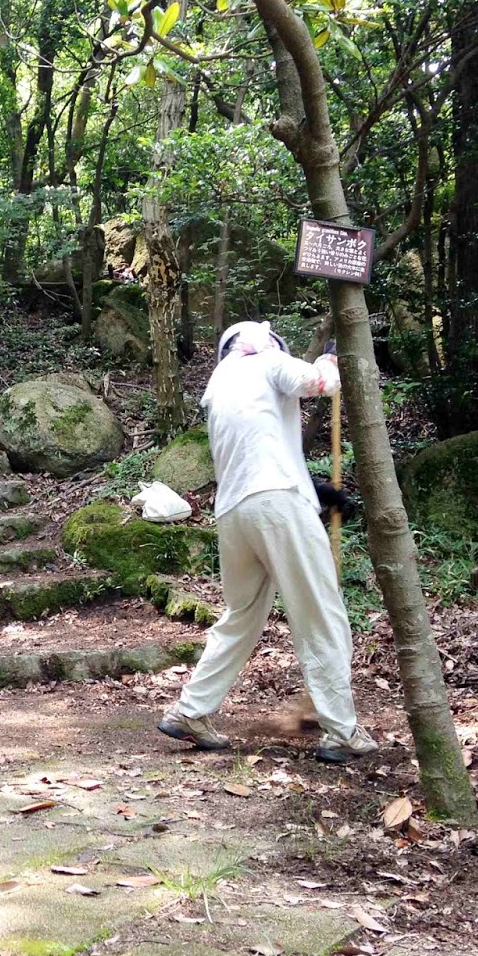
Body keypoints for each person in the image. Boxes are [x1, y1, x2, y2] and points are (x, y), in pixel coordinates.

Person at [156, 321, 377, 764]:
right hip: (276, 502)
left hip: (235, 512)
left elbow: (258, 446)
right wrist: (331, 359)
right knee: (320, 612)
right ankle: (341, 731)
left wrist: (314, 491)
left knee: (241, 616)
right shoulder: (266, 361)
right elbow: (318, 383)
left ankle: (190, 710)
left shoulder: (220, 385)